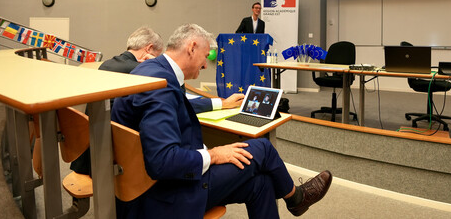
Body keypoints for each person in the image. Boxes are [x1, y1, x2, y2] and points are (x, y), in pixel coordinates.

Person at [111, 24, 333, 219]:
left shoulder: (152, 71)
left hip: (153, 186)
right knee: (262, 148)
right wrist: (214, 155)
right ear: (192, 47)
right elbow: (162, 162)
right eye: (206, 56)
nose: (207, 65)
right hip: (165, 196)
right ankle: (296, 197)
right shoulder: (160, 83)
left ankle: (296, 198)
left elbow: (180, 105)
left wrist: (221, 104)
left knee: (262, 183)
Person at [70, 26, 244, 176]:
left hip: (94, 151)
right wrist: (164, 67)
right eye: (160, 55)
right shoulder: (148, 73)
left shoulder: (109, 63)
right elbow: (178, 95)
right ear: (149, 49)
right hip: (114, 162)